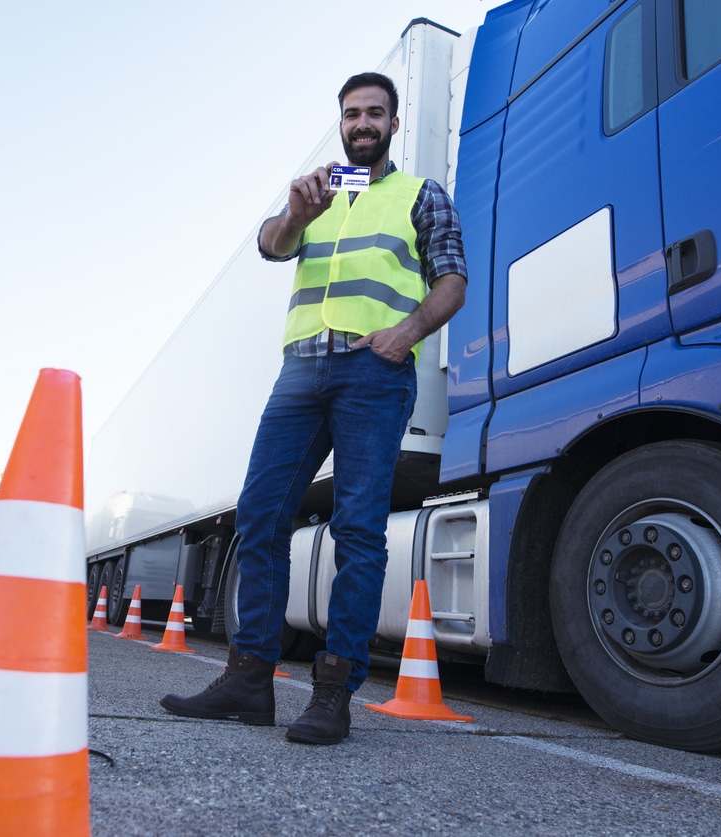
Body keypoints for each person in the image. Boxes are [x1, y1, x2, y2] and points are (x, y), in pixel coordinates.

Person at [160, 71, 467, 745]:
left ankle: (333, 693)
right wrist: (300, 212)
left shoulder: (420, 194)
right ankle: (248, 681)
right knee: (261, 516)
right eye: (352, 113)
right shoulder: (313, 194)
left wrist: (408, 333)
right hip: (300, 371)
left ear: (392, 124)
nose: (363, 123)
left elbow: (452, 278)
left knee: (358, 530)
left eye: (375, 113)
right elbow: (271, 245)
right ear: (341, 124)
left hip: (375, 373)